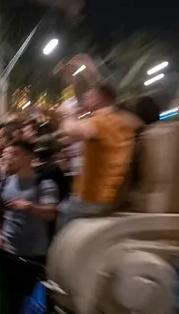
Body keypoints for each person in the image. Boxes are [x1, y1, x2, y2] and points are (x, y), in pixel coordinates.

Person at [0, 139, 58, 314]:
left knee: (34, 307)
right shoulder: (4, 185)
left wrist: (29, 207)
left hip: (34, 257)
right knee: (8, 304)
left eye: (17, 153)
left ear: (30, 156)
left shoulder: (43, 184)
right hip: (9, 254)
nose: (11, 157)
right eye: (10, 153)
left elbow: (50, 212)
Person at [57, 83, 138, 219]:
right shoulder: (120, 120)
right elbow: (69, 138)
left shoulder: (101, 120)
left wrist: (69, 114)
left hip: (94, 198)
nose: (85, 100)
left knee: (62, 212)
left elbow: (72, 130)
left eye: (88, 96)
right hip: (111, 196)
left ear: (100, 98)